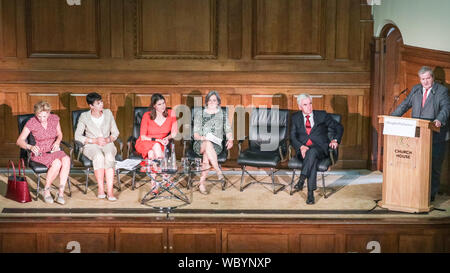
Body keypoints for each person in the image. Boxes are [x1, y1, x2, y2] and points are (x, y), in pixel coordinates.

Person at [391, 66, 450, 202]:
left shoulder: (442, 91)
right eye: (423, 79)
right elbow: (405, 105)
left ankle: (430, 194)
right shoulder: (416, 89)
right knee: (416, 163)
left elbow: (446, 108)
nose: (425, 82)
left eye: (428, 78)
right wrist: (392, 118)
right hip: (417, 135)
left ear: (432, 78)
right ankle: (415, 190)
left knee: (434, 166)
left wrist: (439, 119)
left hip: (436, 135)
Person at [290, 94, 343, 204]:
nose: (309, 107)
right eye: (305, 105)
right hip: (303, 151)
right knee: (311, 158)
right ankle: (310, 194)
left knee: (312, 152)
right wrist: (301, 147)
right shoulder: (295, 117)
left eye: (310, 103)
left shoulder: (322, 115)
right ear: (300, 107)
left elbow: (339, 127)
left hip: (320, 149)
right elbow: (292, 136)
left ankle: (301, 180)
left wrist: (335, 140)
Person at [16, 101, 71, 204]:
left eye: (44, 116)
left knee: (66, 159)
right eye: (39, 116)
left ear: (49, 113)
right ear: (36, 114)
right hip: (40, 152)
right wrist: (30, 146)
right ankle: (46, 190)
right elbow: (19, 141)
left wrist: (58, 142)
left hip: (53, 150)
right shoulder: (31, 122)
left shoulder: (55, 118)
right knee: (57, 163)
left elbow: (59, 134)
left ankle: (61, 193)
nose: (41, 119)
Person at [74, 92, 120, 201]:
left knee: (109, 156)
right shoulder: (84, 116)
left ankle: (110, 191)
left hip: (107, 143)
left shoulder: (108, 113)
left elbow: (115, 132)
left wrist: (108, 139)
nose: (101, 105)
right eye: (98, 103)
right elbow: (77, 136)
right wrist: (93, 140)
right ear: (91, 106)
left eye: (101, 102)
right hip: (91, 145)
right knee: (99, 156)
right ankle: (100, 188)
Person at [193, 90, 233, 194]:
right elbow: (195, 134)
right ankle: (219, 172)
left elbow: (228, 130)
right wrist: (203, 138)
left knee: (207, 153)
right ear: (206, 102)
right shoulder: (199, 114)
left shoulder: (223, 114)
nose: (211, 102)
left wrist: (230, 139)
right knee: (207, 143)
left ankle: (201, 183)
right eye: (209, 100)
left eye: (214, 100)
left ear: (218, 102)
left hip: (216, 145)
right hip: (200, 144)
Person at [135, 93, 178, 191]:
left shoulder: (171, 113)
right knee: (156, 146)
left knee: (151, 154)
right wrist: (157, 140)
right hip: (145, 142)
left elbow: (174, 133)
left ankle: (153, 185)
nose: (163, 106)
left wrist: (167, 138)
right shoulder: (147, 115)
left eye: (163, 103)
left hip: (161, 144)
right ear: (154, 105)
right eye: (159, 104)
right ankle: (165, 177)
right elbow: (143, 136)